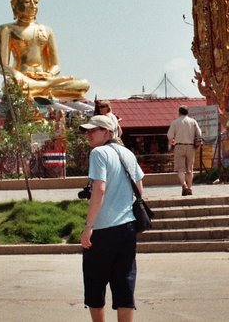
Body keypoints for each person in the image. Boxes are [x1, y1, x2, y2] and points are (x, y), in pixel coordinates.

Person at [79, 114, 143, 322]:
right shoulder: (128, 154)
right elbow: (140, 189)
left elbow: (100, 188)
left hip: (103, 228)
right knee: (124, 282)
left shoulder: (98, 153)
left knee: (95, 282)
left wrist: (89, 226)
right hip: (127, 228)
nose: (88, 135)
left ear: (106, 132)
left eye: (92, 130)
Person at [0, 0, 90, 100]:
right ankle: (45, 88)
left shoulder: (46, 30)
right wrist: (18, 75)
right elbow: (2, 66)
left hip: (44, 78)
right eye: (27, 2)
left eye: (36, 1)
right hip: (22, 80)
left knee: (83, 84)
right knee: (11, 86)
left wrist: (49, 74)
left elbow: (56, 65)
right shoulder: (6, 29)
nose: (33, 6)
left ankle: (42, 88)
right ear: (14, 5)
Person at [167, 106, 202, 196]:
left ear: (179, 112)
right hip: (190, 146)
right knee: (190, 170)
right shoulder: (193, 121)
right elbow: (199, 133)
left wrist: (172, 142)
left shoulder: (175, 122)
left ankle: (184, 185)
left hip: (179, 146)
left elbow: (170, 136)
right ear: (187, 112)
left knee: (180, 169)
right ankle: (190, 188)